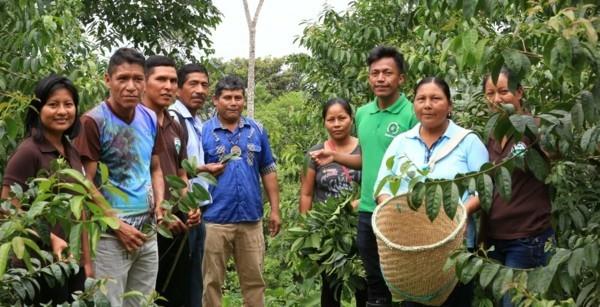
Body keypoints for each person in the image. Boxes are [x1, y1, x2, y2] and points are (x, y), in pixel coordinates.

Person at [312, 45, 418, 306]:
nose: (380, 78)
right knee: (373, 283)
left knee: (406, 281)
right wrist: (335, 157)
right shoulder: (362, 113)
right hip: (368, 210)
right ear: (369, 77)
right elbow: (369, 160)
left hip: (400, 211)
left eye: (387, 73)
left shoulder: (413, 113)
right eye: (375, 73)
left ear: (401, 78)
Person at [374, 77, 488, 306]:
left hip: (455, 248)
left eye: (436, 98)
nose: (428, 104)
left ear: (449, 105)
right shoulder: (401, 143)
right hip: (411, 250)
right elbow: (382, 188)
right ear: (414, 104)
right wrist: (395, 215)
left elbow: (483, 192)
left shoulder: (468, 142)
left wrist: (455, 217)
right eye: (421, 99)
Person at [74, 47, 165, 307]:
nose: (131, 86)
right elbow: (85, 184)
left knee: (142, 302)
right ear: (107, 79)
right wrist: (117, 225)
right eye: (122, 78)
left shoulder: (149, 117)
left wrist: (160, 204)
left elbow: (155, 168)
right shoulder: (94, 121)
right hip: (109, 237)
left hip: (147, 232)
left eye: (138, 79)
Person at [1, 74, 89, 304]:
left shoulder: (70, 150)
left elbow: (80, 208)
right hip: (38, 269)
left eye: (68, 104)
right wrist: (50, 239)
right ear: (38, 109)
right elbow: (8, 210)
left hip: (71, 262)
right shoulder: (28, 152)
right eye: (53, 105)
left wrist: (87, 261)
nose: (62, 111)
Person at [201, 75, 281, 307]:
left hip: (251, 219)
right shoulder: (203, 131)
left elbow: (268, 169)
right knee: (211, 282)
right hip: (214, 219)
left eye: (238, 97)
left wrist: (275, 209)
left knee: (255, 282)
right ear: (215, 100)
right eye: (227, 97)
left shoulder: (257, 130)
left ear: (244, 101)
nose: (233, 102)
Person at [481, 69, 554, 307]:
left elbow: (554, 156)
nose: (497, 99)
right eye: (490, 93)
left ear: (519, 92)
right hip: (495, 239)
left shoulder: (535, 127)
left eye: (503, 91)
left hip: (526, 237)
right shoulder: (492, 132)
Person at [141, 55, 201, 306]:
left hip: (177, 224)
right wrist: (158, 210)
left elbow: (181, 174)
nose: (168, 86)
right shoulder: (133, 123)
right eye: (160, 79)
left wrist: (191, 204)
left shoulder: (176, 125)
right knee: (146, 294)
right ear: (144, 83)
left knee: (176, 294)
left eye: (173, 81)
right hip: (145, 224)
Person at [299, 98, 367, 307]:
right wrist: (307, 231)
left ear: (351, 119)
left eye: (342, 118)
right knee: (330, 287)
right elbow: (307, 194)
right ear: (324, 122)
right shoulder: (315, 153)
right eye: (331, 119)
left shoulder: (363, 149)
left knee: (363, 285)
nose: (336, 124)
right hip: (327, 233)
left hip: (359, 229)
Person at [170, 63, 225, 307]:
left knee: (194, 281)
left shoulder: (196, 121)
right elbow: (172, 167)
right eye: (193, 84)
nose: (200, 90)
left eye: (204, 85)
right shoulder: (173, 118)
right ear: (178, 87)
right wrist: (205, 169)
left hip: (196, 210)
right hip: (180, 211)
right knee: (179, 283)